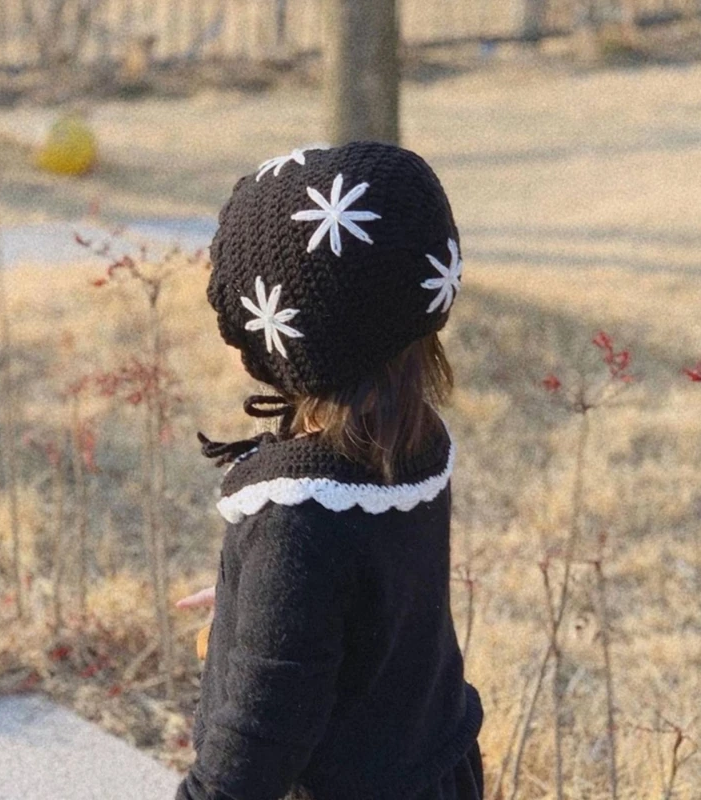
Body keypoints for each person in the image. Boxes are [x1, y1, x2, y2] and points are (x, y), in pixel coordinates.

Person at [174, 141, 483, 800]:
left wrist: (279, 578)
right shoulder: (411, 440)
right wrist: (257, 595)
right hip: (431, 762)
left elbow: (257, 741)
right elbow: (369, 588)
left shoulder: (299, 519)